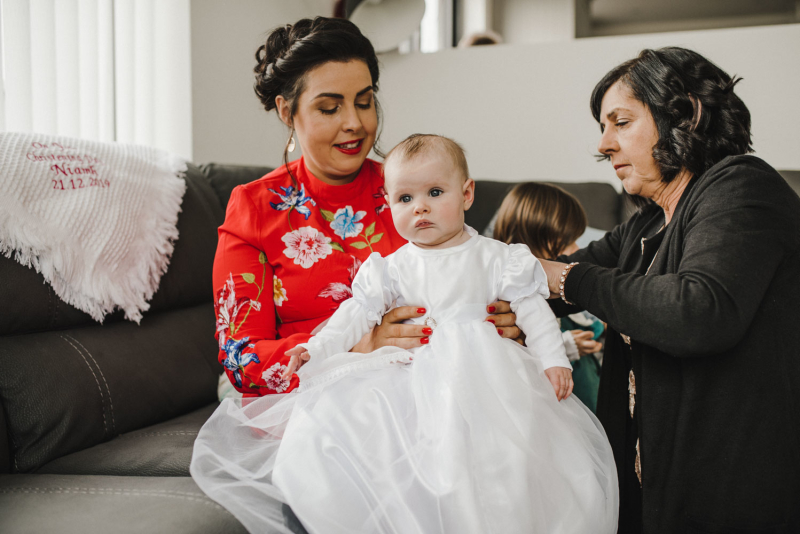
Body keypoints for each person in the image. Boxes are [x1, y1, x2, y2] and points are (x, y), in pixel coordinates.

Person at [192, 134, 618, 534]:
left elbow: (532, 310)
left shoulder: (496, 257)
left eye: (435, 194)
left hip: (488, 374)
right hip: (414, 372)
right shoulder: (391, 266)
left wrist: (553, 359)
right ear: (389, 203)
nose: (421, 208)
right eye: (405, 198)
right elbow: (353, 315)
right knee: (350, 430)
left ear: (466, 194)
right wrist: (316, 348)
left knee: (503, 458)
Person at [540, 47, 800, 533]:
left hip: (732, 493)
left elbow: (699, 313)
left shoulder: (743, 187)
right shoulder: (645, 225)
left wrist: (568, 279)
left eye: (620, 122)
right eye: (602, 127)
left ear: (685, 114)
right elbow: (550, 278)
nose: (605, 144)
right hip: (652, 495)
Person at [212, 17, 519, 398]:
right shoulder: (254, 208)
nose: (355, 123)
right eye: (329, 108)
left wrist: (502, 317)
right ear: (287, 112)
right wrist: (360, 346)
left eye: (364, 102)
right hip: (310, 392)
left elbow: (471, 271)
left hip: (427, 385)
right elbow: (241, 358)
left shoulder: (411, 192)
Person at [493, 182, 604, 412]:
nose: (576, 249)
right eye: (566, 242)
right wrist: (565, 347)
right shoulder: (505, 292)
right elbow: (509, 356)